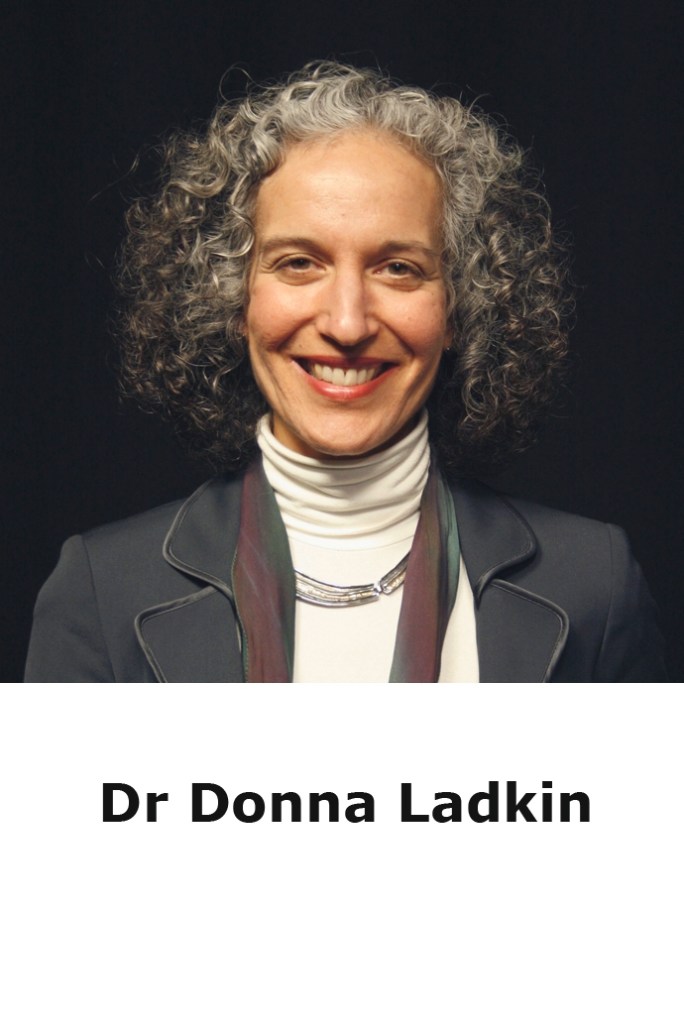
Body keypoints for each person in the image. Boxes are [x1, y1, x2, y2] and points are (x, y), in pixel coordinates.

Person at [24, 62, 667, 683]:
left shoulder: (593, 587)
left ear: (458, 309)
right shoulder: (99, 593)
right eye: (299, 263)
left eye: (399, 268)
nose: (348, 323)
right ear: (233, 298)